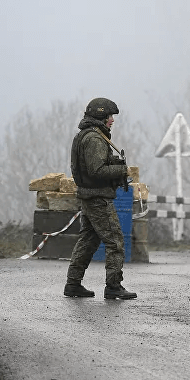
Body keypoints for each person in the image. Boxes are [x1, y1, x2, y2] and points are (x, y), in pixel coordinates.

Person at [64, 97, 137, 300]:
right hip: (98, 197)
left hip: (88, 196)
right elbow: (96, 170)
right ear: (100, 116)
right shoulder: (95, 138)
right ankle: (114, 286)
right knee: (115, 241)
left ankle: (73, 284)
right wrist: (122, 169)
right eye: (109, 116)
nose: (112, 120)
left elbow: (91, 167)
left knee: (88, 240)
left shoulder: (85, 136)